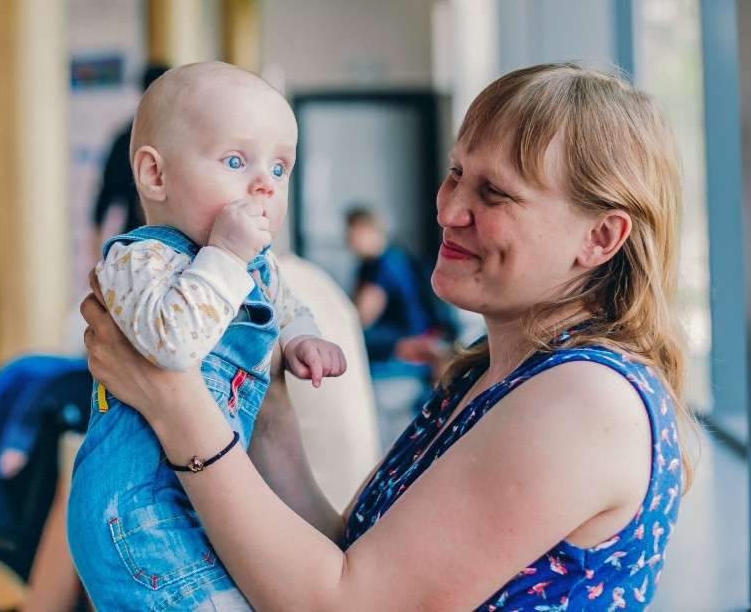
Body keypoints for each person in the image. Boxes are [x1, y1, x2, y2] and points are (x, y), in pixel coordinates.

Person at [80, 63, 693, 610]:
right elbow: (345, 560)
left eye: (495, 193)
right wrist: (261, 398)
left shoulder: (586, 402)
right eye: (456, 174)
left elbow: (349, 605)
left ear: (601, 238)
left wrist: (176, 404)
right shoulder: (482, 378)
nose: (449, 210)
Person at [67, 62, 347, 611]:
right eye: (236, 161)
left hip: (199, 492)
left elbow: (286, 307)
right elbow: (172, 346)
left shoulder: (255, 265)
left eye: (281, 167)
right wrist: (224, 257)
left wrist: (301, 339)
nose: (264, 183)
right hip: (136, 510)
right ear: (155, 175)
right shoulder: (139, 259)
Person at [345, 206, 449, 364]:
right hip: (420, 343)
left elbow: (359, 319)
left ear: (370, 231)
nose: (348, 242)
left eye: (353, 234)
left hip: (401, 355)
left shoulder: (381, 267)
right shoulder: (400, 255)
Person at [89, 63, 169, 252]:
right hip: (151, 238)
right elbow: (106, 194)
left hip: (137, 243)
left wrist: (96, 248)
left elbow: (105, 196)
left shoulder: (126, 137)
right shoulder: (127, 138)